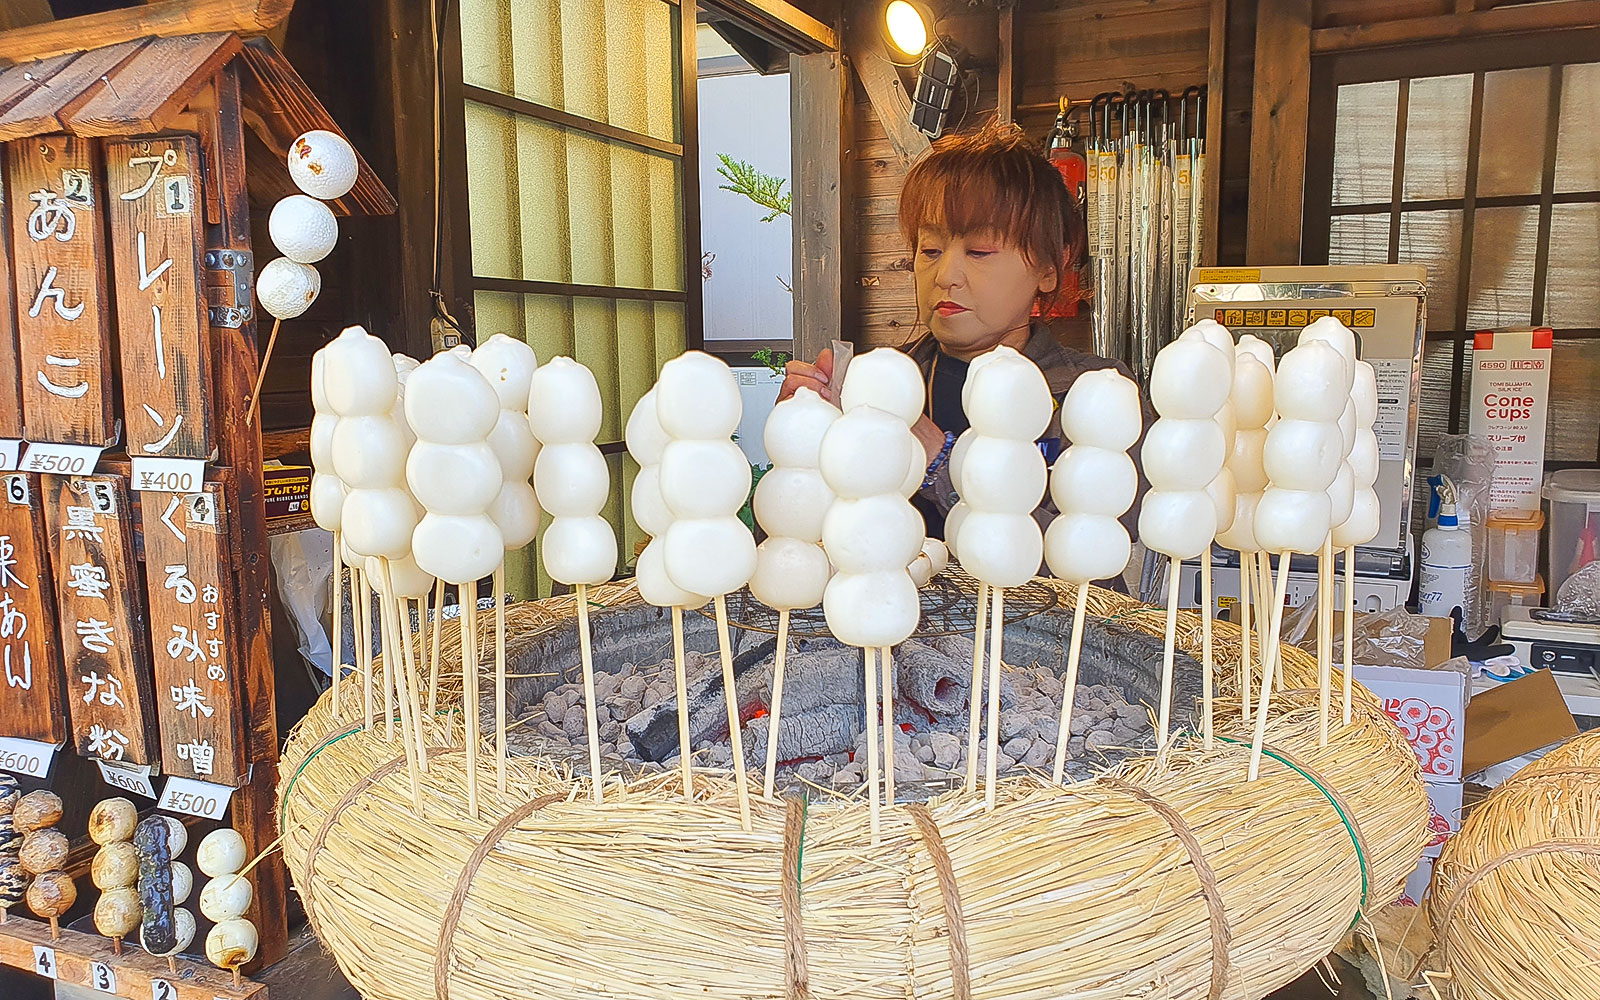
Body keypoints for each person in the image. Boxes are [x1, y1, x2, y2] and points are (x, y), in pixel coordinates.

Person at [779, 120, 1154, 558]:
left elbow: (1099, 558)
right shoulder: (876, 387)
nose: (945, 276)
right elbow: (805, 554)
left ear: (1050, 269)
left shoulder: (1093, 393)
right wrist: (802, 445)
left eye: (978, 252)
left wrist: (940, 459)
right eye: (930, 250)